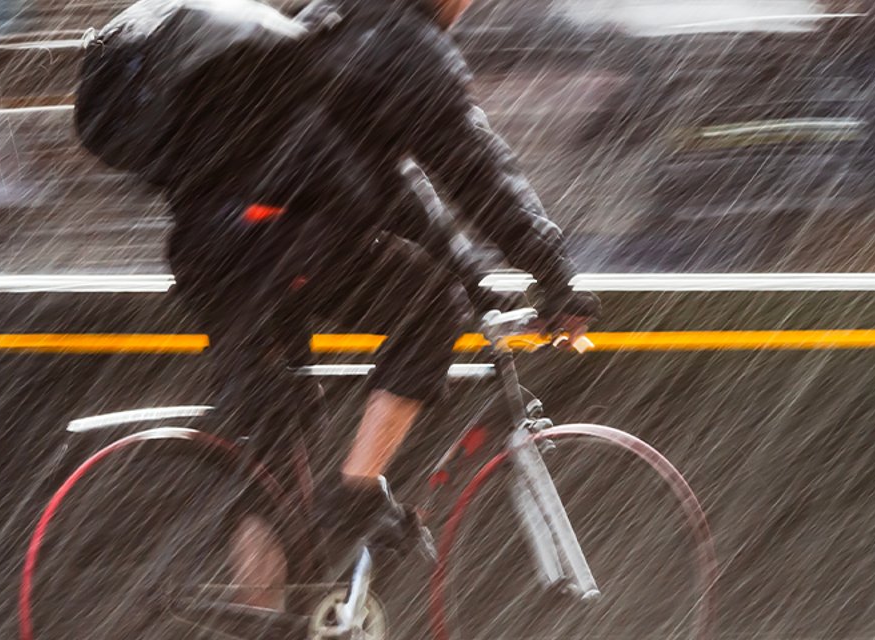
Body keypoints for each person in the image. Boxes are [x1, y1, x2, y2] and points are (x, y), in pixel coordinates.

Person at [141, 0, 601, 612]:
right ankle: (355, 496)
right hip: (281, 241)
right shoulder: (406, 44)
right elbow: (479, 173)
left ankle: (261, 619)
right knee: (430, 304)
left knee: (274, 452)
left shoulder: (332, 20)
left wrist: (479, 277)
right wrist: (556, 277)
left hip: (211, 247)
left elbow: (397, 193)